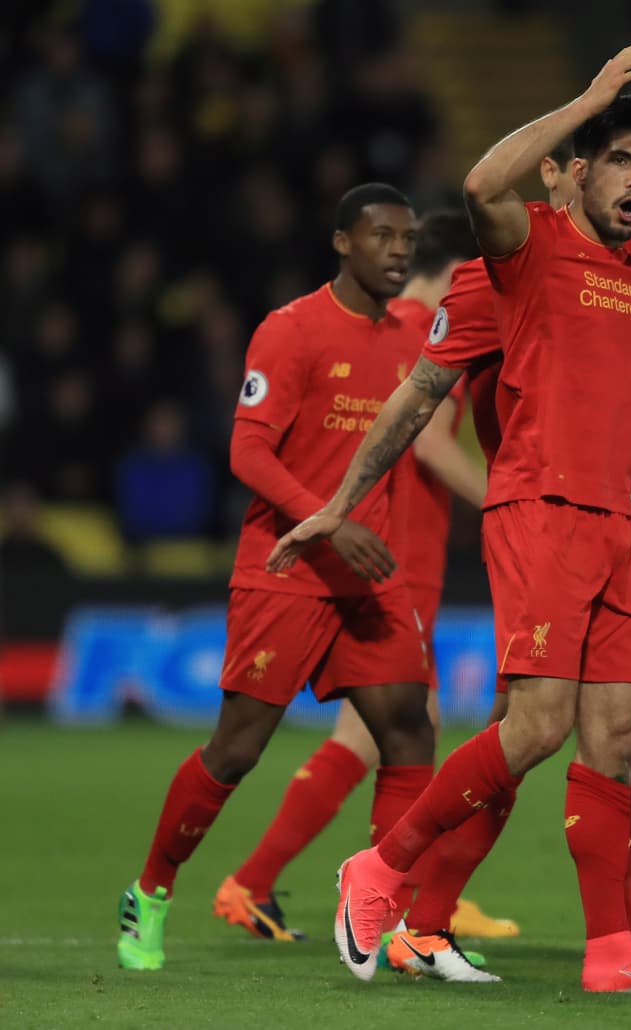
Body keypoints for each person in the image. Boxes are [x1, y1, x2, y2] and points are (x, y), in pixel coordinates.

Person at [268, 41, 631, 992]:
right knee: (532, 730)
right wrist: (336, 504)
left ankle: (614, 952)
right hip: (537, 509)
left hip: (616, 524)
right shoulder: (521, 250)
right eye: (623, 160)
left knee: (614, 740)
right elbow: (429, 350)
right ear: (573, 169)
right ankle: (382, 869)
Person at [116, 183, 440, 972]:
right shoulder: (290, 330)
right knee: (237, 749)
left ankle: (381, 913)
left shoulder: (418, 335)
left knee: (409, 730)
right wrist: (330, 518)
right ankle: (151, 890)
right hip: (289, 568)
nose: (399, 249)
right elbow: (247, 452)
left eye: (408, 239)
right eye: (382, 236)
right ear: (342, 243)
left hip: (370, 576)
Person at [210, 209, 517, 954]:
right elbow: (435, 448)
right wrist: (512, 501)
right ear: (458, 276)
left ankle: (268, 883)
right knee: (412, 730)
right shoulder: (431, 332)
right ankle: (406, 902)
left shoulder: (391, 322)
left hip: (391, 555)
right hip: (395, 560)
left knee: (377, 735)